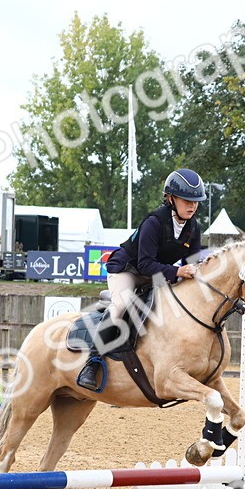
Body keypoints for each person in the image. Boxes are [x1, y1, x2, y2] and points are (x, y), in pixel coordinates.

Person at [76, 168, 206, 391]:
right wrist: (176, 273)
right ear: (171, 198)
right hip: (127, 269)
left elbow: (191, 264)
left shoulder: (193, 227)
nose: (192, 206)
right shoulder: (154, 222)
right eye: (187, 200)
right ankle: (92, 362)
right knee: (122, 305)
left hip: (155, 274)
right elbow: (145, 263)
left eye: (195, 201)